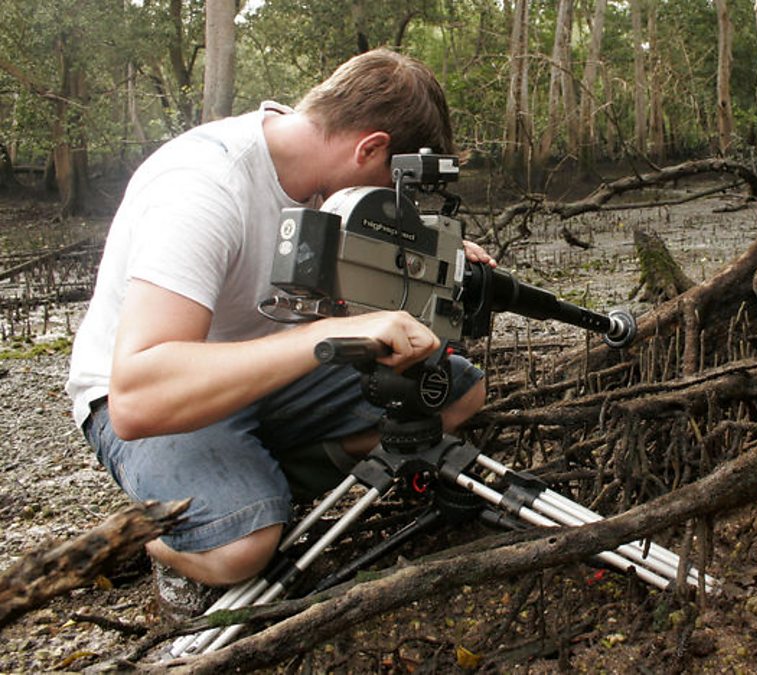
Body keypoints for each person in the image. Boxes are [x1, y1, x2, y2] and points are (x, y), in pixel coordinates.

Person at [66, 50, 493, 599]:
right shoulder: (203, 187)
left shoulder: (323, 177)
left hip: (277, 373)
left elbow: (346, 287)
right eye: (394, 190)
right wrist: (321, 336)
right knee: (239, 550)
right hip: (162, 396)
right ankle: (156, 538)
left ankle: (258, 476)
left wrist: (430, 258)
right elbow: (137, 397)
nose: (392, 208)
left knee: (455, 391)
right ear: (371, 148)